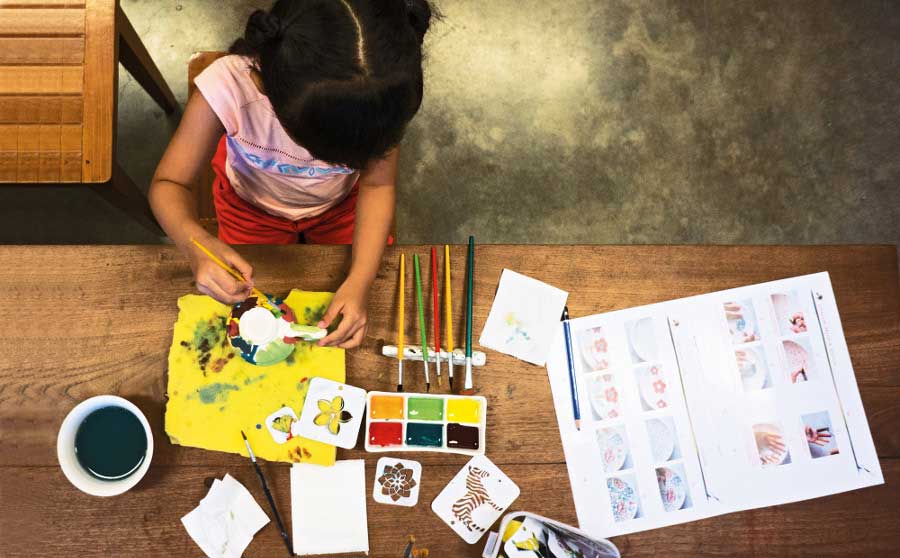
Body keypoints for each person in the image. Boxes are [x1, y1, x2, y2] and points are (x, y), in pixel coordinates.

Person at [149, 0, 433, 349]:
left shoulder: (377, 102)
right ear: (274, 95)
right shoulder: (229, 87)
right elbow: (168, 185)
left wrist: (360, 281)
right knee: (248, 294)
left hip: (341, 207)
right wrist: (195, 244)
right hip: (249, 208)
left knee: (355, 280)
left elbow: (376, 184)